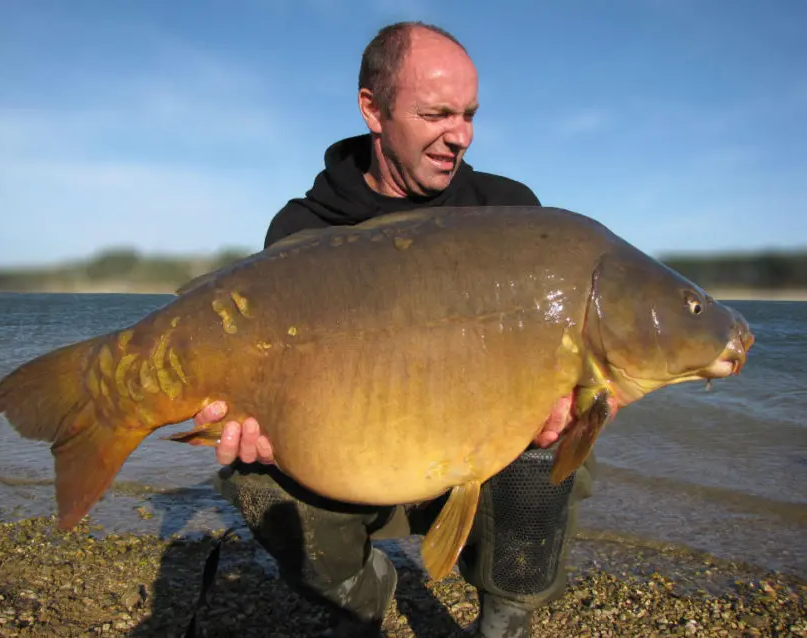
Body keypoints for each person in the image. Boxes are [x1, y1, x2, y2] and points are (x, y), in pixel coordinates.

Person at [194, 21, 597, 637]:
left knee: (549, 454)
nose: (459, 136)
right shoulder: (305, 230)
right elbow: (272, 372)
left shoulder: (509, 212)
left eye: (468, 114)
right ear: (372, 109)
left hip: (479, 458)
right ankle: (362, 595)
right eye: (437, 114)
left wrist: (584, 401)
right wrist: (255, 420)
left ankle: (506, 620)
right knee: (255, 480)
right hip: (359, 462)